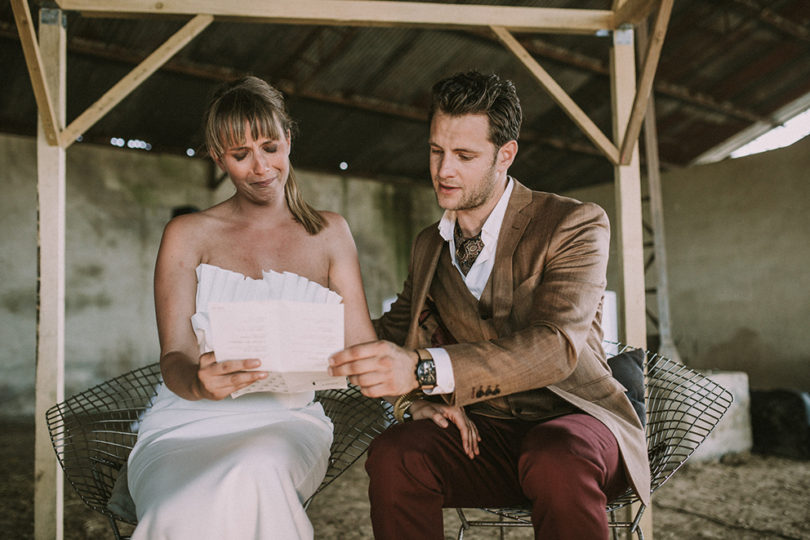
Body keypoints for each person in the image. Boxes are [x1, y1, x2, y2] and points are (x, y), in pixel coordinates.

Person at [328, 71, 651, 539]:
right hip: (485, 436)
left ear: (506, 155)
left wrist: (422, 371)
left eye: (463, 155)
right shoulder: (429, 246)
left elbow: (556, 346)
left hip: (579, 426)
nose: (443, 170)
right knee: (396, 454)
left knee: (554, 457)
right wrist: (297, 325)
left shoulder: (574, 223)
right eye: (436, 151)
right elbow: (389, 333)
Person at [126, 75, 376, 540]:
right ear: (219, 158)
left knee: (256, 468)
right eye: (240, 155)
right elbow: (175, 355)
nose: (260, 167)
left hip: (285, 419)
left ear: (288, 140)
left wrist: (410, 401)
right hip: (186, 420)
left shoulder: (331, 233)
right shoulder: (186, 234)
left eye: (269, 147)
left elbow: (362, 345)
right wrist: (199, 384)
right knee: (176, 504)